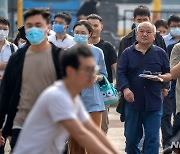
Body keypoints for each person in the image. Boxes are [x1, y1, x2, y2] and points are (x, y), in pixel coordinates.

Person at [0, 8, 63, 152]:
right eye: (29, 25)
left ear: (48, 27)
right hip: (21, 126)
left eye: (38, 25)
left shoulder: (59, 57)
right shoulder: (17, 58)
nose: (33, 29)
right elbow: (6, 93)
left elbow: (70, 94)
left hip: (51, 127)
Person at [117, 22, 170, 154]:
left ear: (154, 36)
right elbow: (120, 72)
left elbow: (168, 72)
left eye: (148, 32)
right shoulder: (127, 53)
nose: (144, 34)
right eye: (141, 31)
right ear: (136, 34)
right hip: (133, 102)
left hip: (154, 103)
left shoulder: (160, 53)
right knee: (131, 140)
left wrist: (164, 83)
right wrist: (125, 89)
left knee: (153, 139)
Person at [69, 20, 107, 154]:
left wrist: (97, 77)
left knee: (94, 142)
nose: (79, 35)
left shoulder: (98, 52)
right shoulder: (67, 53)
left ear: (90, 34)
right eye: (77, 32)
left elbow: (104, 75)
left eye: (83, 33)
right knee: (75, 145)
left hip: (94, 102)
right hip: (72, 103)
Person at [87, 14, 117, 134]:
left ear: (101, 27)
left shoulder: (107, 47)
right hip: (83, 93)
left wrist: (118, 87)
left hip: (102, 93)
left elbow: (116, 68)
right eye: (90, 25)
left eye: (96, 25)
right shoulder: (78, 47)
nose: (93, 28)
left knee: (101, 127)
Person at [161, 14, 180, 150]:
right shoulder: (176, 48)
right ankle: (168, 143)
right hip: (178, 100)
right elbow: (173, 73)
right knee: (177, 144)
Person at [0, 16, 18, 81]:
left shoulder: (13, 48)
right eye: (0, 28)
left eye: (5, 29)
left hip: (8, 85)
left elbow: (18, 67)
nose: (2, 32)